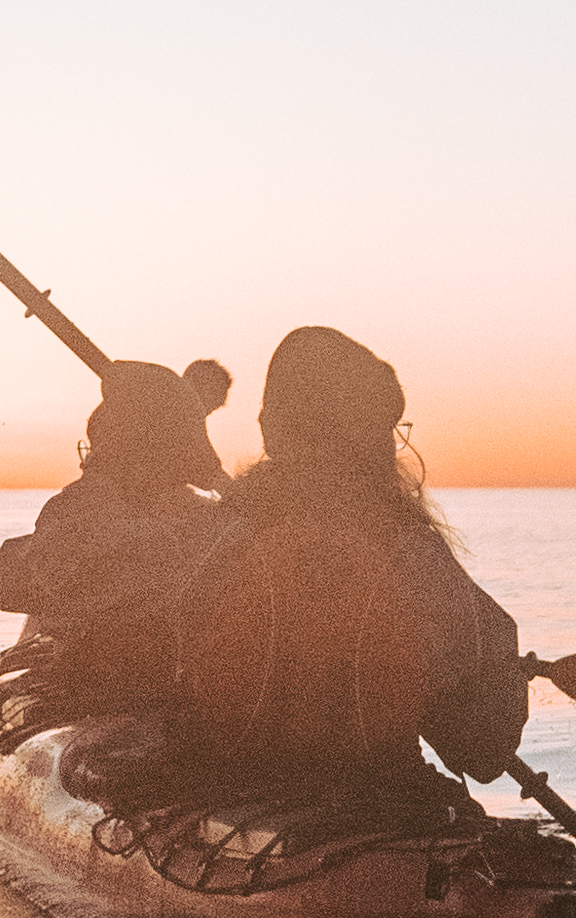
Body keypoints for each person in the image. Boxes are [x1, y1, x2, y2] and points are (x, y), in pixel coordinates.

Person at [171, 323, 531, 815]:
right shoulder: (410, 554)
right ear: (366, 440)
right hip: (372, 806)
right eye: (385, 430)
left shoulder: (215, 538)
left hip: (221, 794)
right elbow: (484, 748)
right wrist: (506, 677)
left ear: (272, 432)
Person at [0, 359, 230, 717]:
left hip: (104, 702)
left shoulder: (78, 510)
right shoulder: (210, 523)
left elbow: (8, 584)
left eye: (99, 449)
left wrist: (9, 558)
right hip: (182, 704)